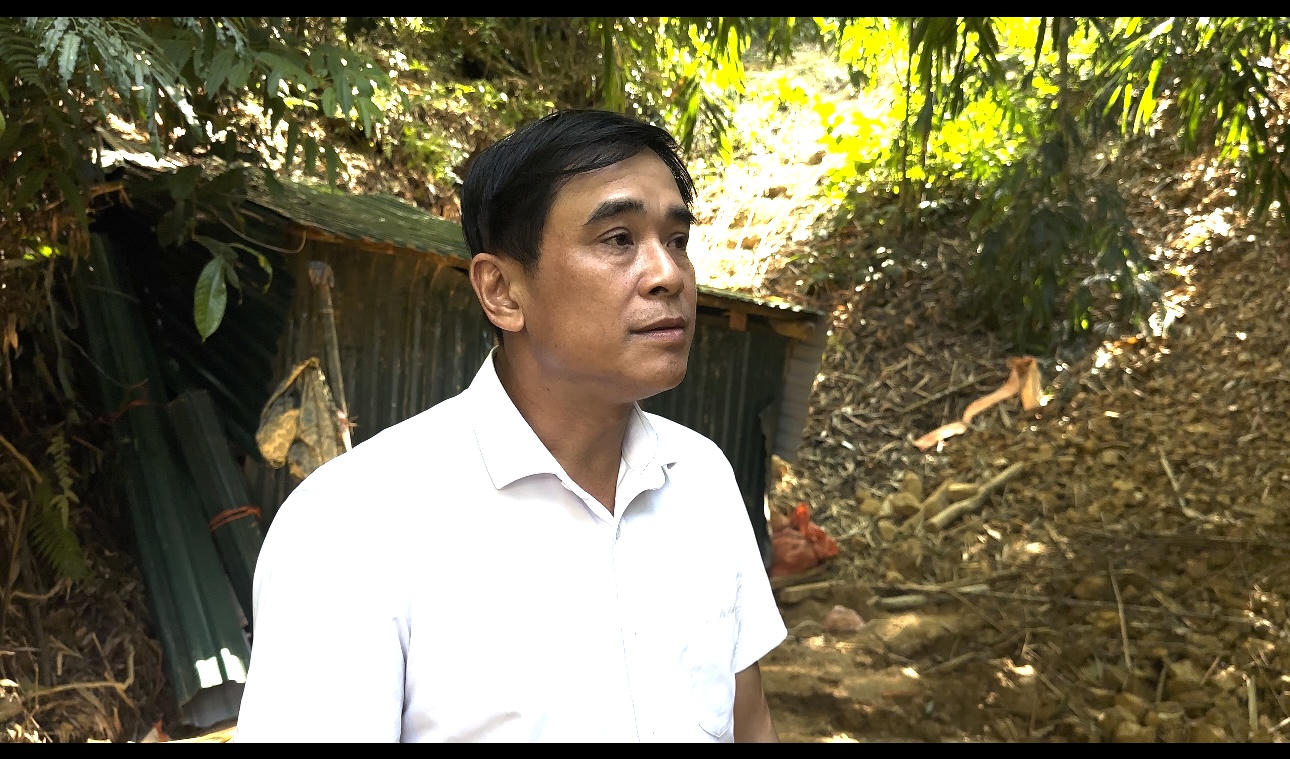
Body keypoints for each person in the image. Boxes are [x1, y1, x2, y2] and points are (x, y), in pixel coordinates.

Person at [234, 109, 787, 742]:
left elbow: (749, 721)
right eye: (618, 239)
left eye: (678, 240)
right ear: (501, 291)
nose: (669, 274)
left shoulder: (702, 479)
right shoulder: (353, 525)